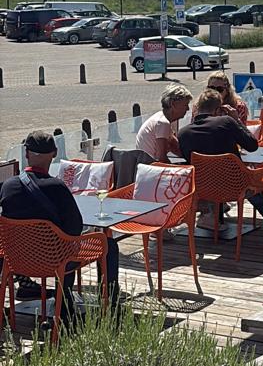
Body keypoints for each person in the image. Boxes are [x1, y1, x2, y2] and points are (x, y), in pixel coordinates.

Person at [0, 129, 120, 319]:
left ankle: (25, 297)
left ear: (26, 154)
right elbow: (74, 228)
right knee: (109, 245)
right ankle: (104, 306)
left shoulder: (8, 186)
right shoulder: (57, 187)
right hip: (55, 260)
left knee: (63, 244)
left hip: (16, 259)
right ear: (55, 154)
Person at [178, 91, 263, 234]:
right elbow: (252, 145)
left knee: (250, 181)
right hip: (234, 185)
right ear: (218, 110)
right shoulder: (226, 122)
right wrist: (236, 119)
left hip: (204, 188)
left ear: (197, 108)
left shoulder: (183, 133)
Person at [135, 85, 193, 164]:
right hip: (150, 167)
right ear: (173, 104)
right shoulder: (163, 123)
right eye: (185, 105)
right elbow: (162, 158)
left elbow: (176, 148)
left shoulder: (160, 117)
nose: (188, 109)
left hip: (145, 165)